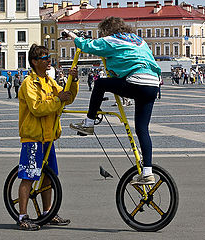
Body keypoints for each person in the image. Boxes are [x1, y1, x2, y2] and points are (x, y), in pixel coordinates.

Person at [66, 16, 161, 185]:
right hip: (153, 84)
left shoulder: (111, 40)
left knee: (100, 83)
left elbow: (87, 46)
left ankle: (88, 123)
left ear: (106, 31)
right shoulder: (139, 40)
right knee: (142, 128)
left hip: (137, 80)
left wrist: (73, 37)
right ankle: (147, 172)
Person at [17, 44, 79, 231]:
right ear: (35, 62)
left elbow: (67, 97)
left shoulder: (50, 82)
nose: (48, 59)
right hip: (33, 137)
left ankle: (47, 213)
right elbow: (37, 109)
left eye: (48, 56)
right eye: (44, 57)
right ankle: (22, 216)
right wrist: (58, 99)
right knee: (28, 176)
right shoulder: (29, 83)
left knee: (48, 178)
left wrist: (73, 81)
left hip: (48, 137)